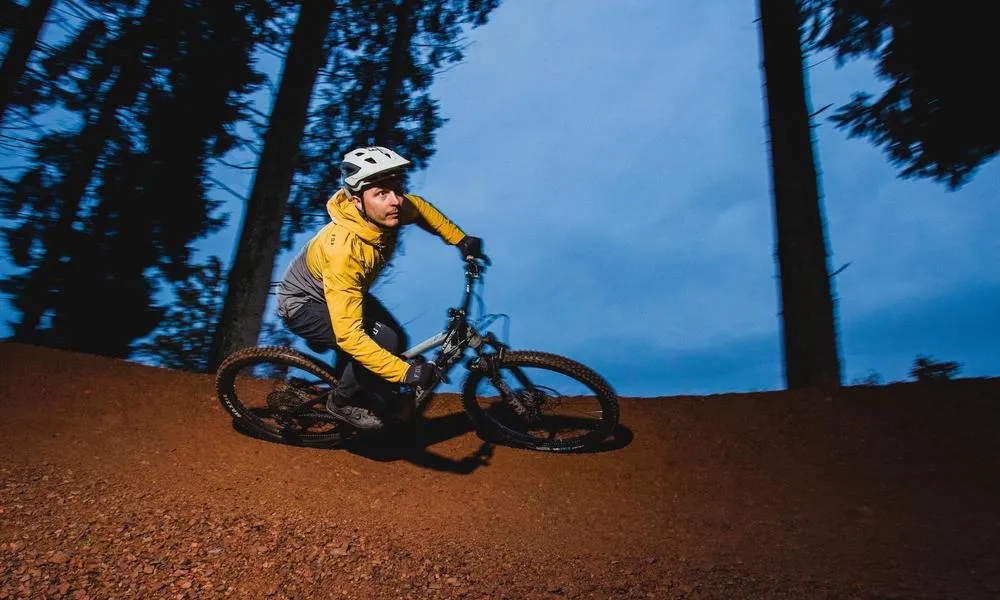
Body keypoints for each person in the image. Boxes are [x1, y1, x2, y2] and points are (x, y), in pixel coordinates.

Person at [275, 146, 488, 430]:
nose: (395, 201)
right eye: (381, 193)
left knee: (397, 337)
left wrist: (460, 239)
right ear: (357, 201)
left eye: (397, 189)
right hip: (303, 303)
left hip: (341, 292)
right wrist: (405, 373)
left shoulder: (388, 212)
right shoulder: (343, 251)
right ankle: (340, 403)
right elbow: (351, 337)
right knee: (382, 342)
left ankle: (364, 389)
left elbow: (421, 209)